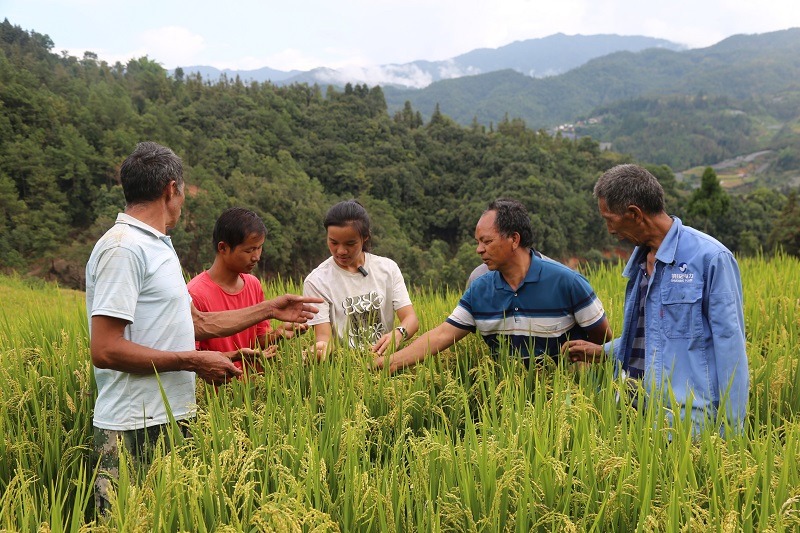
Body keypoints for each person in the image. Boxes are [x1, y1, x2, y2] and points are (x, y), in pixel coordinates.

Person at [85, 142, 322, 513]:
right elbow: (105, 349)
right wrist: (195, 361)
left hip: (173, 417)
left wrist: (268, 309)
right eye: (181, 193)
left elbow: (197, 323)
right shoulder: (124, 248)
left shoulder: (158, 246)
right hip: (133, 427)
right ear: (171, 189)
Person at [562, 164, 749, 434]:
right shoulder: (640, 264)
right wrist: (604, 352)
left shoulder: (710, 258)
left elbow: (730, 347)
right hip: (631, 414)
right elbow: (654, 336)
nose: (610, 231)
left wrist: (732, 433)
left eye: (609, 219)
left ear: (634, 214)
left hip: (686, 426)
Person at [373, 198, 613, 373]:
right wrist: (389, 363)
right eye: (478, 242)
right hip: (507, 403)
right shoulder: (480, 288)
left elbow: (604, 340)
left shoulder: (567, 282)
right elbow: (442, 334)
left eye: (486, 241)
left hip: (563, 403)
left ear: (514, 240)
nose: (479, 249)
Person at [187, 207, 308, 372]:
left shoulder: (253, 284)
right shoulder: (195, 294)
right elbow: (191, 358)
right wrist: (235, 356)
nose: (256, 256)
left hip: (252, 390)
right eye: (249, 250)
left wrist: (278, 334)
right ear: (223, 248)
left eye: (259, 248)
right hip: (218, 392)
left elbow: (257, 341)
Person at [303, 200, 419, 358]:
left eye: (350, 243)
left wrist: (398, 334)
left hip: (387, 363)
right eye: (333, 242)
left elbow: (410, 319)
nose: (341, 251)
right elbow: (324, 337)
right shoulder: (317, 281)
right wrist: (320, 349)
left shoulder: (388, 269)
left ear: (365, 238)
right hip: (346, 369)